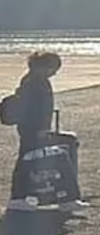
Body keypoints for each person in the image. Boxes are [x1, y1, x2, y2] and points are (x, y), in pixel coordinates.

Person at [7, 52, 89, 212]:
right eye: (53, 68)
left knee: (28, 159)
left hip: (35, 128)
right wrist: (41, 129)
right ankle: (64, 197)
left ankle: (64, 196)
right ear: (42, 66)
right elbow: (31, 110)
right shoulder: (33, 83)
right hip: (33, 129)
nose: (55, 72)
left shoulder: (35, 81)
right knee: (28, 159)